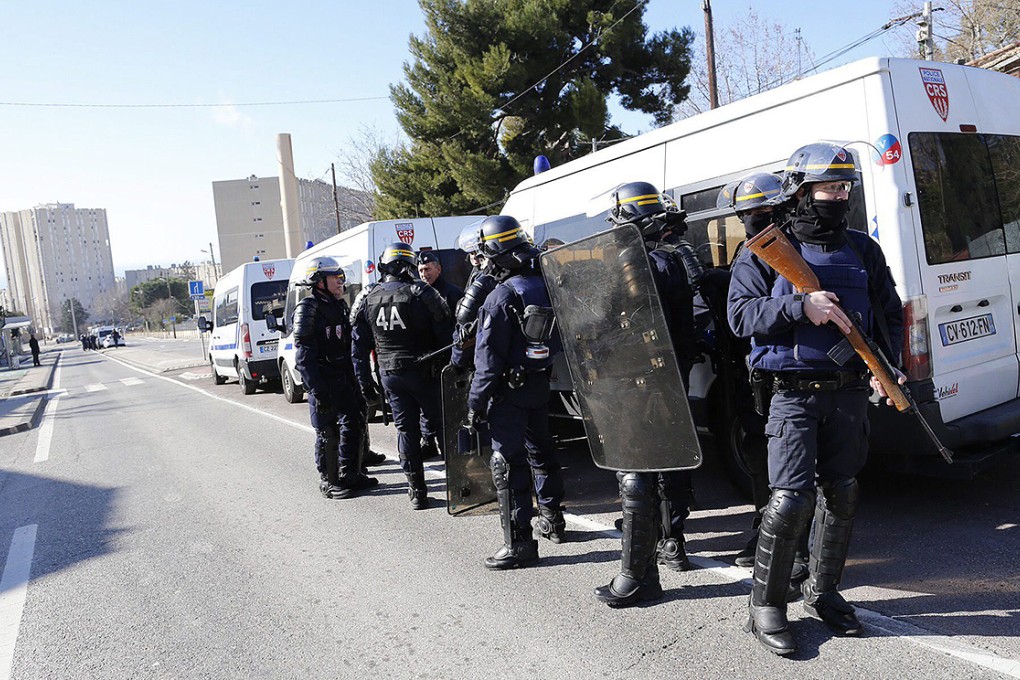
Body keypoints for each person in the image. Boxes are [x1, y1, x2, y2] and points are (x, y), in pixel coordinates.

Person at [727, 142, 904, 655]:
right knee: (789, 502)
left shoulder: (862, 248)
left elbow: (887, 314)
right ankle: (766, 607)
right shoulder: (763, 248)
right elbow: (740, 317)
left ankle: (823, 592)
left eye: (846, 186)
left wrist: (886, 369)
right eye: (830, 186)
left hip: (848, 393)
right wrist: (801, 306)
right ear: (801, 192)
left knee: (843, 492)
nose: (840, 195)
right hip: (793, 397)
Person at [591, 182, 700, 607]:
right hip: (668, 380)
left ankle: (637, 577)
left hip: (636, 381)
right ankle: (672, 545)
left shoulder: (631, 265)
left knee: (635, 477)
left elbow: (608, 322)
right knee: (670, 467)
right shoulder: (673, 261)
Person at [466, 215, 567, 570]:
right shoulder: (546, 285)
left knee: (507, 465)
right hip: (539, 386)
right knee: (541, 450)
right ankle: (553, 519)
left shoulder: (500, 297)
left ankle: (519, 543)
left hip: (507, 396)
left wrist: (474, 404)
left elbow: (487, 363)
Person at [352, 243, 452, 510]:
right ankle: (456, 486)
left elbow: (358, 348)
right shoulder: (422, 293)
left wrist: (365, 384)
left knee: (406, 430)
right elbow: (447, 333)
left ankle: (417, 491)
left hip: (389, 374)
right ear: (409, 265)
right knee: (441, 426)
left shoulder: (367, 296)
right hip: (424, 372)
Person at [293, 256, 379, 500]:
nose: (341, 282)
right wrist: (316, 390)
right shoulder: (307, 309)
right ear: (319, 281)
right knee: (328, 431)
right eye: (336, 278)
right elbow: (304, 356)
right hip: (323, 381)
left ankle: (351, 473)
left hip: (343, 377)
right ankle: (329, 481)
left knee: (355, 420)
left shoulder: (339, 305)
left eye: (341, 277)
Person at [416, 250, 465, 459]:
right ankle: (428, 440)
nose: (423, 274)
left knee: (448, 404)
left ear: (438, 269)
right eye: (420, 270)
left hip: (447, 355)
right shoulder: (416, 293)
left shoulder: (452, 293)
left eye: (427, 269)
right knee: (426, 403)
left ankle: (450, 445)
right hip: (427, 357)